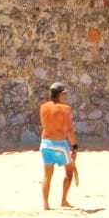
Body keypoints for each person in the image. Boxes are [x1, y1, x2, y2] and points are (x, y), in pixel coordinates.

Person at [39, 81, 77, 211]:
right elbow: (69, 130)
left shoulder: (43, 107)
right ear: (60, 94)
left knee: (47, 175)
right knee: (69, 172)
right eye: (64, 94)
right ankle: (63, 200)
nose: (65, 96)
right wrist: (74, 146)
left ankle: (45, 204)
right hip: (60, 144)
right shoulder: (65, 109)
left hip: (45, 144)